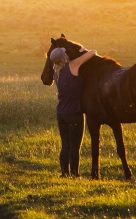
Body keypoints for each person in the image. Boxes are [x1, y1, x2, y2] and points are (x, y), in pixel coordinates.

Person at [49, 45, 96, 177]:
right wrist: (82, 49)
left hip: (61, 114)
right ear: (64, 56)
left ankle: (64, 173)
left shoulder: (56, 72)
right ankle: (75, 174)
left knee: (65, 145)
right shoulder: (73, 66)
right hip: (74, 113)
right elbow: (93, 52)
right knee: (75, 146)